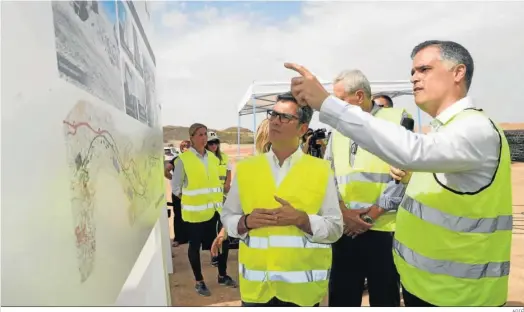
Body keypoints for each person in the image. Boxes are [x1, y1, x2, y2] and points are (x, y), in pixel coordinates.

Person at [285, 40, 513, 307]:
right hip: (426, 288)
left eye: (424, 69)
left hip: (460, 296)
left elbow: (410, 152)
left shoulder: (477, 128)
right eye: (413, 71)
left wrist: (326, 103)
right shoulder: (445, 131)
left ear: (458, 72)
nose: (414, 78)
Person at [220, 92, 343, 307]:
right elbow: (227, 216)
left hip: (301, 294)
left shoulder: (321, 171)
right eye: (273, 115)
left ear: (302, 129)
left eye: (285, 117)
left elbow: (335, 228)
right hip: (257, 292)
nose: (275, 121)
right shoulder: (248, 169)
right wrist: (244, 222)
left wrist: (303, 220)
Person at [325, 69, 409, 307]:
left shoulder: (395, 122)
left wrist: (370, 216)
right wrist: (343, 212)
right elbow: (328, 173)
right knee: (342, 297)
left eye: (340, 100)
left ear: (359, 96)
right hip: (345, 230)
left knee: (384, 298)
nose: (336, 107)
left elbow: (403, 176)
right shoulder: (338, 129)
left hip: (383, 231)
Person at [172, 124, 237, 297]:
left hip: (216, 211)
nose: (203, 137)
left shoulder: (213, 159)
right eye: (199, 134)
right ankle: (199, 281)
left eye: (205, 134)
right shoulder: (183, 160)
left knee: (222, 243)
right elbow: (176, 188)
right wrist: (191, 200)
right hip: (195, 214)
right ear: (192, 137)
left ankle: (222, 275)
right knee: (195, 247)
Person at [205, 131, 233, 267]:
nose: (214, 145)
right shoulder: (204, 158)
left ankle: (222, 254)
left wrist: (227, 184)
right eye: (211, 143)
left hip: (223, 197)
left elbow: (228, 172)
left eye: (216, 142)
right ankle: (214, 254)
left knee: (223, 226)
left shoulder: (224, 157)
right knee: (212, 228)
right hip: (210, 199)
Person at [165, 140, 191, 247]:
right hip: (178, 193)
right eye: (184, 147)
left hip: (190, 192)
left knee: (190, 215)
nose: (186, 148)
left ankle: (190, 238)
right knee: (178, 215)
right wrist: (174, 178)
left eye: (188, 146)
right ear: (181, 149)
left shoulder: (195, 161)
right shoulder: (176, 159)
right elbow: (165, 171)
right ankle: (178, 239)